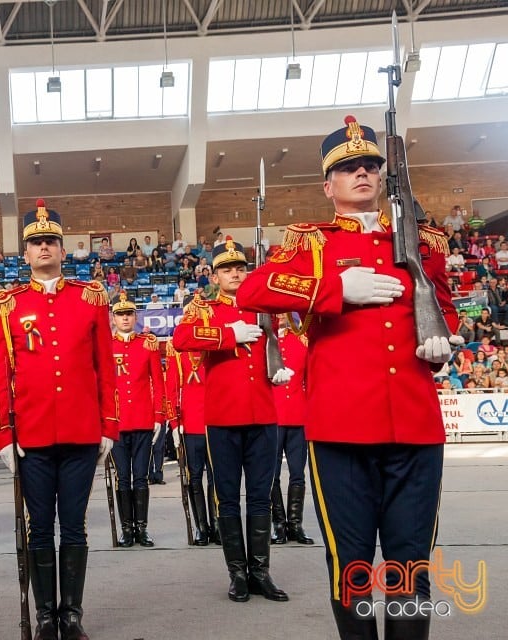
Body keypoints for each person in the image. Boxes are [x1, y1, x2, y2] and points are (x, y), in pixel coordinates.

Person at [236, 115, 458, 640]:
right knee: (353, 568)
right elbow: (253, 292)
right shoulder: (310, 243)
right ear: (327, 184)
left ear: (383, 176)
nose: (362, 172)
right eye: (348, 167)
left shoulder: (423, 239)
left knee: (410, 568)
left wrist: (443, 339)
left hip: (415, 425)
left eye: (370, 165)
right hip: (341, 431)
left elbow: (443, 308)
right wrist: (334, 288)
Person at [0, 199, 117, 640]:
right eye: (36, 242)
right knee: (39, 526)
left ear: (64, 250)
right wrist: (2, 435)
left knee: (75, 525)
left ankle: (72, 614)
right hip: (33, 435)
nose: (43, 247)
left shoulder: (90, 298)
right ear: (25, 254)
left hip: (81, 433)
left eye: (51, 242)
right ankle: (45, 615)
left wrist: (109, 426)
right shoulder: (7, 305)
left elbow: (105, 365)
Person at [172, 237, 293, 604]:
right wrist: (228, 335)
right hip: (223, 417)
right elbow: (180, 338)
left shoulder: (263, 308)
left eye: (240, 267)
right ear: (215, 274)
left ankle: (260, 571)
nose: (235, 273)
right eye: (227, 268)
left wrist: (279, 368)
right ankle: (237, 573)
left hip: (262, 414)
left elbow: (276, 345)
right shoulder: (204, 309)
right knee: (227, 499)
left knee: (260, 497)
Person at [106, 292, 164, 548]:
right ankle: (126, 529)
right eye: (120, 315)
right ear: (114, 319)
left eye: (129, 314)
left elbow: (158, 383)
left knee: (141, 477)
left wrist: (159, 417)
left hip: (142, 420)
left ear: (135, 316)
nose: (125, 318)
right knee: (122, 478)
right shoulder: (107, 346)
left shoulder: (147, 344)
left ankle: (142, 528)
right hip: (117, 423)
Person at [167, 323, 219, 546]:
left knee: (216, 479)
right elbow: (171, 390)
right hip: (190, 425)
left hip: (214, 422)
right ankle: (201, 527)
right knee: (194, 477)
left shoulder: (215, 349)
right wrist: (173, 423)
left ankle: (217, 525)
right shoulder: (178, 353)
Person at [269, 315, 314, 547]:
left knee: (298, 472)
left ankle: (295, 523)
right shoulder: (269, 342)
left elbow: (310, 380)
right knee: (272, 474)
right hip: (274, 416)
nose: (282, 317)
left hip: (298, 414)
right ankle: (279, 523)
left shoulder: (302, 341)